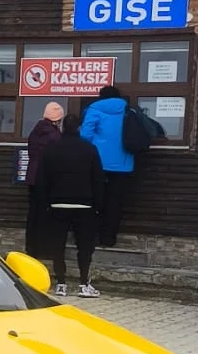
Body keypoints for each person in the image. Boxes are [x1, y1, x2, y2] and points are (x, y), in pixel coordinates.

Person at [38, 112, 103, 297]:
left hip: (57, 204)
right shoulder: (89, 149)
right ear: (80, 128)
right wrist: (97, 205)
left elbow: (42, 179)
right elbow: (98, 179)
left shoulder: (51, 149)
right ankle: (83, 284)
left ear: (62, 127)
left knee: (58, 245)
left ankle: (61, 283)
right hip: (84, 205)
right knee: (85, 245)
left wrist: (46, 203)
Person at [80, 85, 132, 247]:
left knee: (96, 201)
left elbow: (85, 136)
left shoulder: (94, 110)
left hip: (99, 164)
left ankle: (93, 236)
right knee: (115, 203)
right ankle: (109, 238)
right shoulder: (128, 110)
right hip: (124, 164)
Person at [24, 101, 64, 257]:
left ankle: (30, 247)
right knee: (45, 214)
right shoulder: (54, 136)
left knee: (33, 213)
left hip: (32, 176)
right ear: (57, 119)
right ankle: (43, 249)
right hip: (46, 178)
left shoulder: (36, 131)